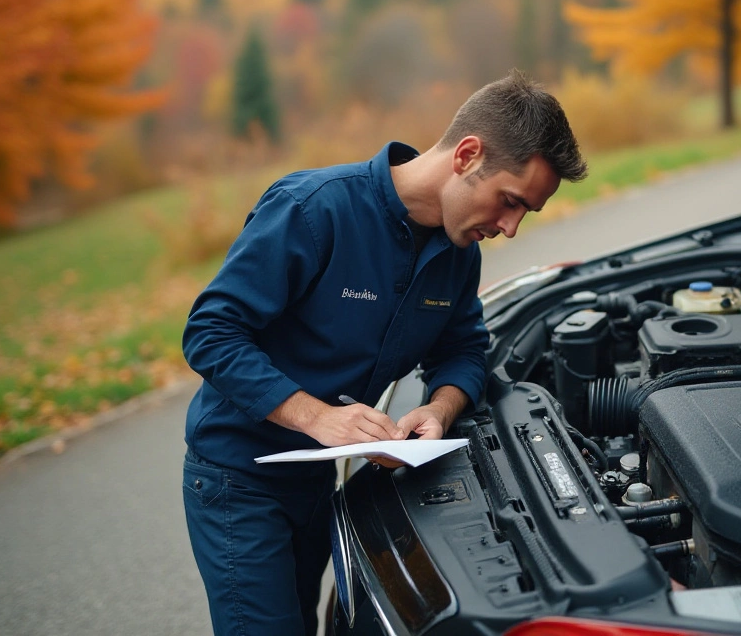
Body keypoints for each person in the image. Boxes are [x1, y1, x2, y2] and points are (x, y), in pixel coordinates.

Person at [180, 70, 587, 636]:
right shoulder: (312, 209)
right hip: (237, 480)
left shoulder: (458, 248)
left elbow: (464, 347)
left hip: (317, 481)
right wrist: (319, 418)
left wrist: (439, 409)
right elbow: (210, 332)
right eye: (510, 202)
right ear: (468, 155)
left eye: (525, 213)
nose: (511, 228)